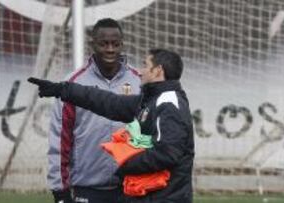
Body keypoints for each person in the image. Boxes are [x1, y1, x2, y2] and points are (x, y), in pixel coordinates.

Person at [29, 48, 195, 203]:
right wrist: (62, 89)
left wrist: (126, 163)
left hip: (166, 198)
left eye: (146, 65)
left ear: (158, 70)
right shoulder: (150, 100)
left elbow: (168, 153)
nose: (141, 70)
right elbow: (108, 102)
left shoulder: (169, 103)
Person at [46, 18, 141, 203]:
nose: (110, 49)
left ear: (122, 44)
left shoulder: (140, 82)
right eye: (104, 43)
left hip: (132, 187)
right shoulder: (72, 85)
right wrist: (60, 192)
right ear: (92, 44)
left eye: (115, 43)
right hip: (87, 189)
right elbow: (59, 141)